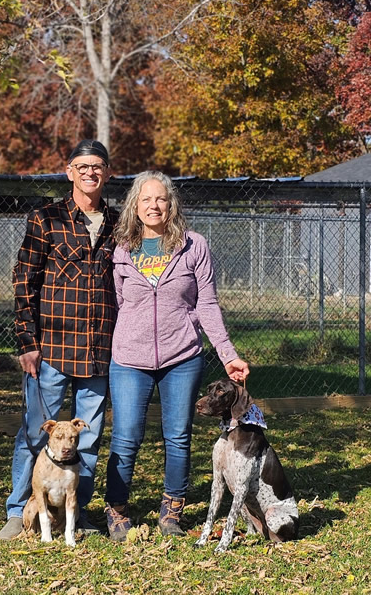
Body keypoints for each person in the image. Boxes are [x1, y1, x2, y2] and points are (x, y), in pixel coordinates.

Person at [104, 170, 250, 541]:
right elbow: (120, 303)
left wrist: (227, 353)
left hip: (182, 356)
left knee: (178, 436)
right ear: (135, 206)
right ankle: (117, 508)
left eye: (161, 199)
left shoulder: (193, 245)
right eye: (146, 199)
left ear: (171, 204)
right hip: (128, 358)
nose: (154, 206)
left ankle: (172, 511)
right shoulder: (121, 248)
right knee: (125, 437)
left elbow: (208, 304)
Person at [0, 139, 117, 540]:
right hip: (51, 350)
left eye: (97, 166)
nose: (89, 173)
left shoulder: (119, 224)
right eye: (82, 166)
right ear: (69, 171)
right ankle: (19, 509)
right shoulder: (45, 218)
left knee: (89, 438)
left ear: (107, 172)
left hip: (100, 352)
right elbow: (23, 280)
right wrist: (26, 341)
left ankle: (75, 514)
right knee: (35, 433)